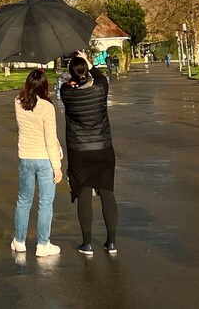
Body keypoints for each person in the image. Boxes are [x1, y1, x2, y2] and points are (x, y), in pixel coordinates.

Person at [59, 53, 118, 256]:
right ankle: (111, 242)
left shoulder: (66, 93)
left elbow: (67, 86)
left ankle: (87, 243)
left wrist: (71, 80)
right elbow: (100, 77)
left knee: (83, 192)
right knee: (107, 192)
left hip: (79, 150)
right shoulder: (101, 89)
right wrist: (89, 62)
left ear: (71, 74)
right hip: (103, 147)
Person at [11, 68, 63, 258]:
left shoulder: (18, 103)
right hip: (44, 159)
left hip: (26, 156)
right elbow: (50, 138)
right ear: (44, 86)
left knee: (24, 200)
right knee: (45, 202)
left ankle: (19, 240)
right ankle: (43, 243)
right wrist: (57, 167)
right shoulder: (47, 108)